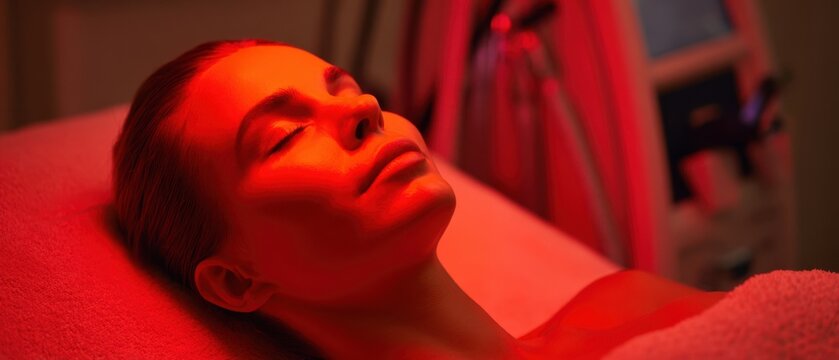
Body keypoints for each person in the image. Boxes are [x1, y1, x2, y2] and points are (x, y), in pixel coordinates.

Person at [113, 39, 723, 359]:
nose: (362, 109)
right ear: (236, 283)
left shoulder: (625, 302)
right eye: (286, 135)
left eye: (346, 88)